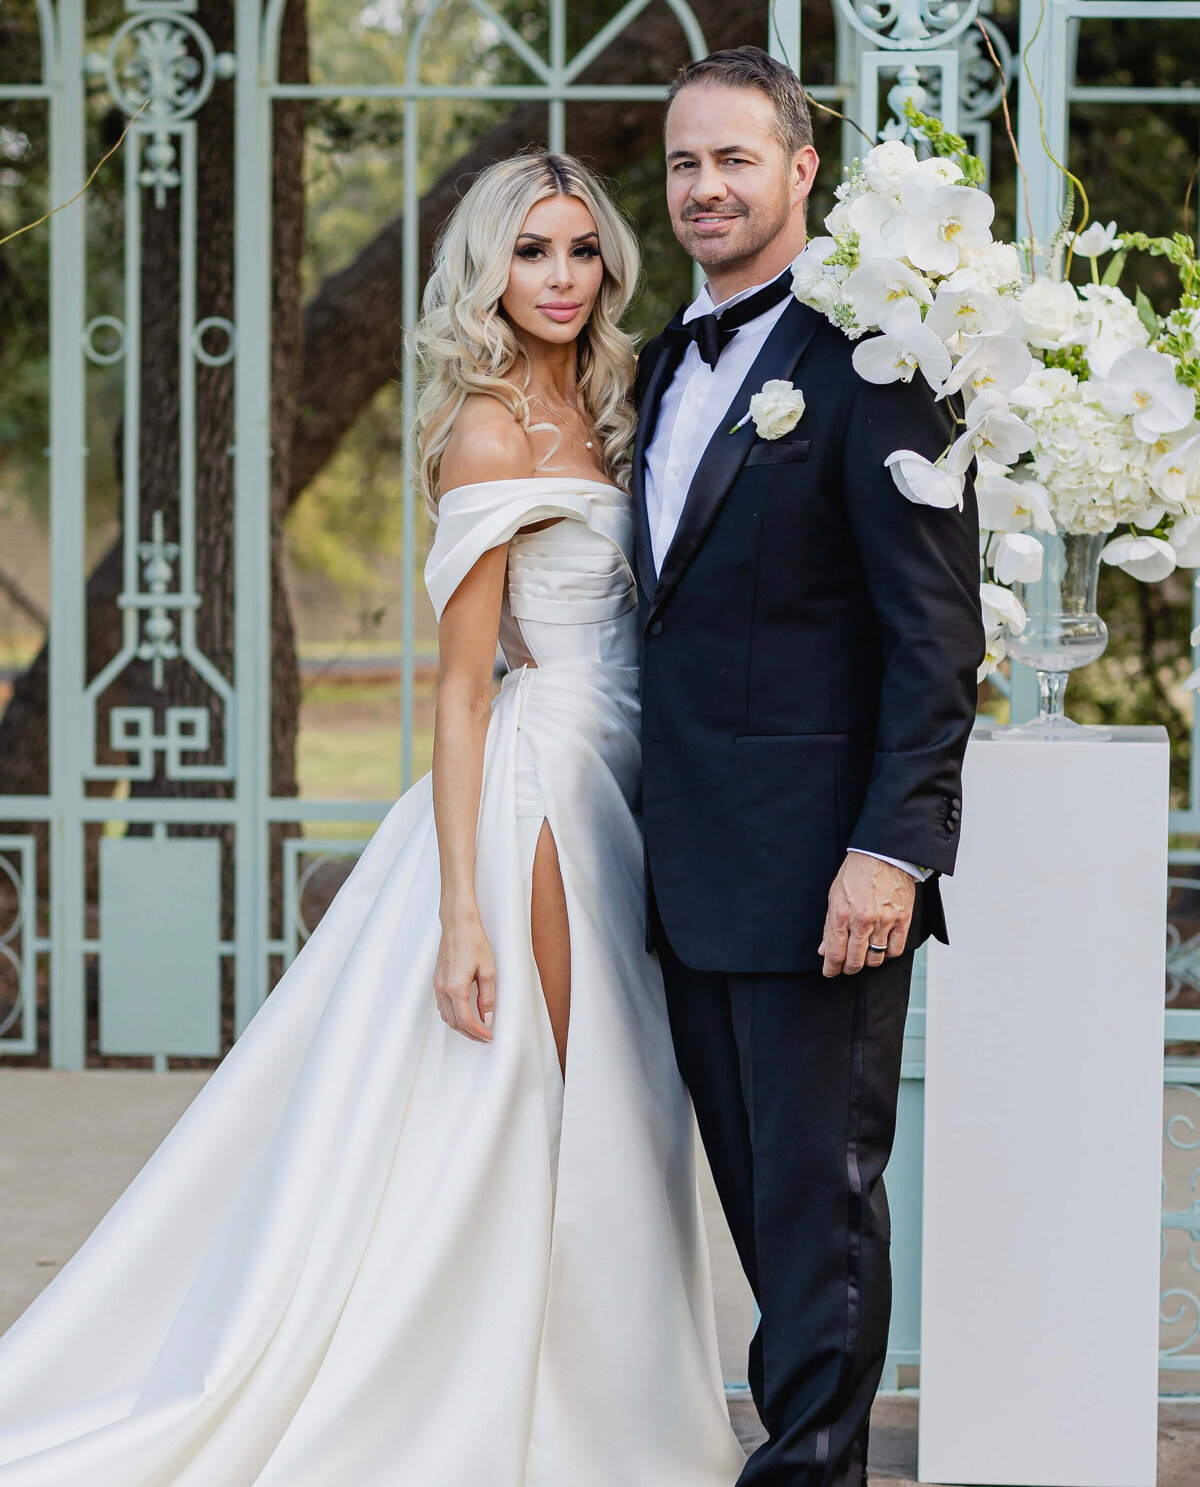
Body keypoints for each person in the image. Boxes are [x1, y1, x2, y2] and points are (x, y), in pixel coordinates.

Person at [0, 152, 745, 1487]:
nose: (563, 279)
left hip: (643, 783)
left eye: (582, 250)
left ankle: (605, 1400)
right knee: (555, 1097)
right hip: (544, 795)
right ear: (486, 269)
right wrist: (461, 909)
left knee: (635, 1104)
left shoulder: (622, 395)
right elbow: (462, 692)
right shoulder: (489, 426)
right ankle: (537, 1419)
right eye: (532, 253)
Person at [634, 49, 984, 1487]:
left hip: (824, 875)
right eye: (681, 165)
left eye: (734, 159)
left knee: (820, 1218)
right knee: (756, 1214)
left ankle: (812, 1474)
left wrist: (891, 851)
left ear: (801, 171)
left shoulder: (877, 359)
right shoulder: (663, 361)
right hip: (683, 865)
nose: (705, 188)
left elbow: (932, 635)